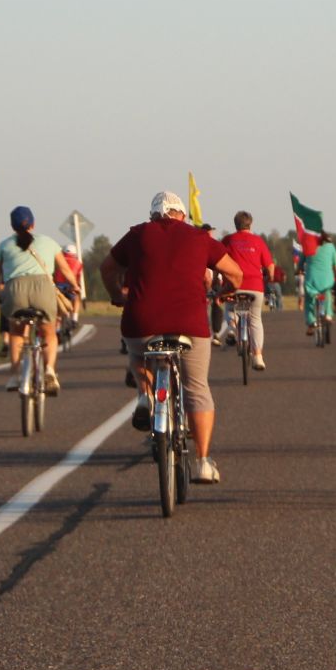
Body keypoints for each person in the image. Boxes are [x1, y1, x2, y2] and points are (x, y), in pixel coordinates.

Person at [109, 191, 245, 484]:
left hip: (141, 322)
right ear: (182, 215)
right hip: (190, 323)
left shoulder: (137, 235)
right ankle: (203, 461)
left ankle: (145, 397)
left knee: (137, 356)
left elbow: (107, 267)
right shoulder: (199, 237)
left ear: (153, 215)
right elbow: (235, 274)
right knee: (196, 387)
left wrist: (116, 295)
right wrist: (224, 292)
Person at [0, 206, 81, 395]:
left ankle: (15, 375)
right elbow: (64, 270)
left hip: (15, 291)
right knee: (48, 333)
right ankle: (49, 370)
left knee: (16, 332)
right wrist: (75, 286)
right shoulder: (49, 242)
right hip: (43, 290)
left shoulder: (4, 245)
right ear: (33, 223)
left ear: (12, 226)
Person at [221, 210, 278, 371]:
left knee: (230, 309)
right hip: (255, 286)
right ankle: (258, 356)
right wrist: (269, 278)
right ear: (250, 224)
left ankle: (232, 329)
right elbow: (270, 267)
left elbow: (218, 260)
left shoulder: (228, 240)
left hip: (233, 286)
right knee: (255, 319)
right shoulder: (258, 241)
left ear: (236, 224)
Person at [303, 230, 336, 336]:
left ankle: (311, 322)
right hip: (327, 279)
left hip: (312, 280)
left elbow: (301, 263)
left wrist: (299, 270)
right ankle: (328, 315)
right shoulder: (331, 246)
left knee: (309, 300)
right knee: (327, 294)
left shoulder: (307, 246)